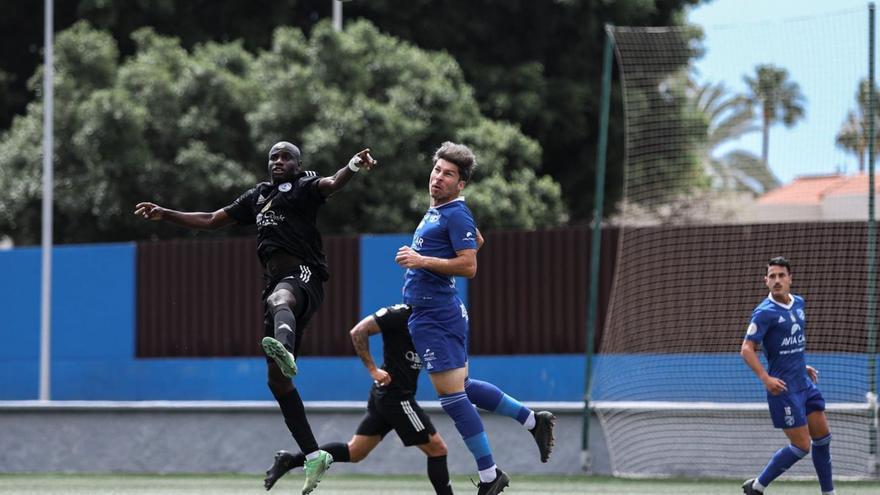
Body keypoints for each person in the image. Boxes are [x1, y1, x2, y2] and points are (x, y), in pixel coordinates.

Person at [134, 141, 376, 495]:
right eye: (273, 157)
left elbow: (333, 183)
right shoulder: (258, 197)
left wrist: (353, 164)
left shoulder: (305, 188)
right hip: (275, 284)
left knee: (282, 299)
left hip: (304, 274)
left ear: (297, 164)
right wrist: (164, 213)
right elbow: (213, 220)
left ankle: (285, 347)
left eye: (286, 157)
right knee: (277, 382)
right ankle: (313, 454)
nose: (278, 161)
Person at [394, 141, 556, 495]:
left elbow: (469, 264)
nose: (438, 177)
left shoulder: (455, 213)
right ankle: (533, 421)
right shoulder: (438, 210)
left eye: (448, 174)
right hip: (431, 313)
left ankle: (489, 476)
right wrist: (439, 258)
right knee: (463, 389)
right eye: (437, 170)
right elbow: (476, 240)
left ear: (461, 184)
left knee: (452, 398)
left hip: (437, 315)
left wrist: (422, 261)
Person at [264, 303, 454, 494]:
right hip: (397, 397)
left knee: (355, 451)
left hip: (387, 396)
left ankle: (291, 460)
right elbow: (358, 331)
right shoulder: (400, 314)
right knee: (437, 449)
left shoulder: (430, 322)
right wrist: (373, 369)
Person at [741, 257, 834, 495]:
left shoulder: (799, 303)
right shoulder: (764, 313)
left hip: (804, 384)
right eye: (772, 276)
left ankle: (829, 493)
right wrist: (765, 378)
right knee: (802, 446)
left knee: (823, 438)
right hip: (783, 390)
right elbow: (746, 349)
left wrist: (801, 366)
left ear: (790, 278)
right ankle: (758, 486)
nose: (777, 280)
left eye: (781, 275)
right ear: (766, 281)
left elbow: (790, 344)